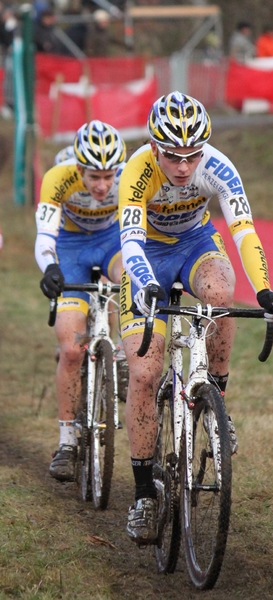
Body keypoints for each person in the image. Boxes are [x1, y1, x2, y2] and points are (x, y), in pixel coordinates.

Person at [118, 91, 273, 545]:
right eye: (173, 155)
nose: (183, 166)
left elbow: (244, 230)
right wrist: (145, 283)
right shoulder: (137, 170)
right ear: (155, 148)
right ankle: (142, 497)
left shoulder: (217, 166)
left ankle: (217, 399)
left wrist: (266, 289)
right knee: (144, 372)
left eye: (192, 155)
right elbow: (130, 242)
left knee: (220, 292)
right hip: (145, 257)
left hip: (195, 243)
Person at [35, 120, 129, 482]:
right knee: (72, 350)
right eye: (94, 177)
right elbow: (45, 234)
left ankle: (118, 349)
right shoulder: (58, 176)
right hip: (70, 247)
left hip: (111, 241)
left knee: (129, 280)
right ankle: (67, 441)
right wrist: (51, 267)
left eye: (109, 176)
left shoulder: (128, 176)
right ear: (78, 169)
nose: (103, 185)